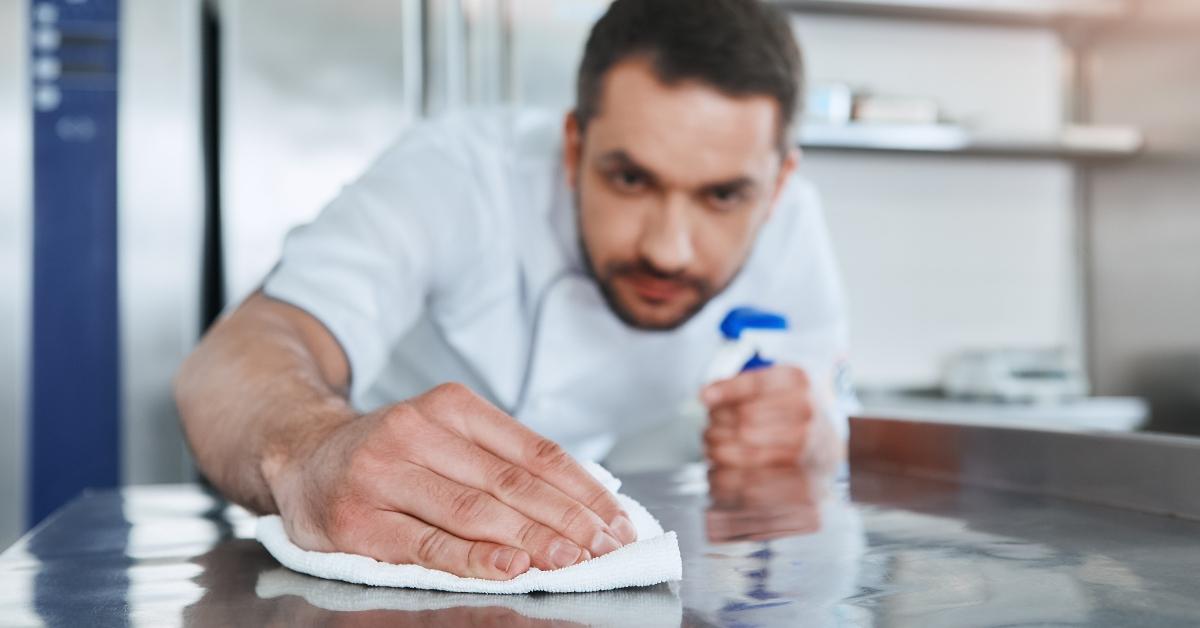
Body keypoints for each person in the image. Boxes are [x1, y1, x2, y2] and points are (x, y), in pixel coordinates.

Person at [175, 0, 852, 581]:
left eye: (724, 196)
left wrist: (814, 431)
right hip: (390, 550)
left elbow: (825, 407)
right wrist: (315, 449)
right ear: (573, 146)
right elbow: (234, 360)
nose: (666, 248)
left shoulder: (794, 227)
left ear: (778, 184)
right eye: (630, 179)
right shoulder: (459, 175)